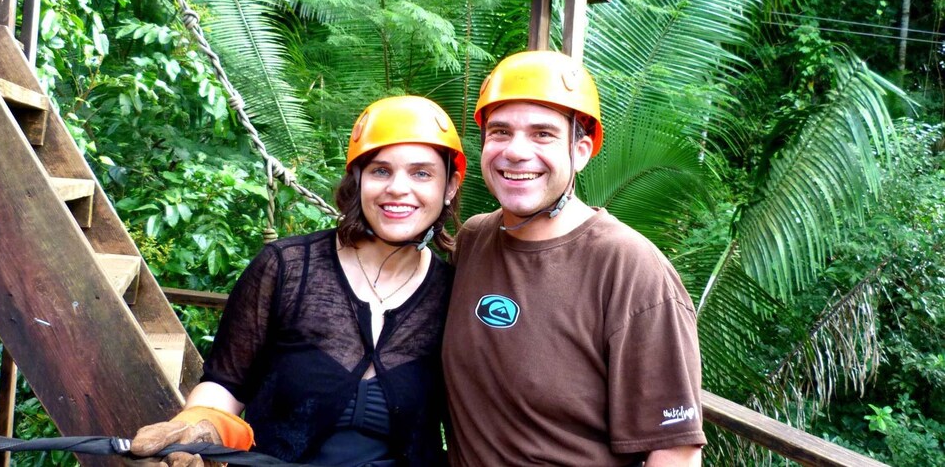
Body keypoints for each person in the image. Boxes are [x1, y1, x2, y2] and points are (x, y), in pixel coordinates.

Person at [129, 95, 465, 466]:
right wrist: (198, 427)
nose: (398, 188)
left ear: (449, 186)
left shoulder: (454, 292)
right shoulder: (288, 269)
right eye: (380, 171)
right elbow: (225, 383)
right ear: (358, 180)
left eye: (422, 173)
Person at [442, 50, 706, 466]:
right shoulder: (475, 239)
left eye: (543, 134)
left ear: (581, 151)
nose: (515, 152)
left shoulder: (630, 269)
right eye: (500, 132)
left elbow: (676, 449)